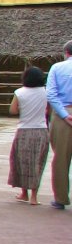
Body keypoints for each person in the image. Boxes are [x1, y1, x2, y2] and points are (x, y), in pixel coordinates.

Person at [8, 66, 50, 205]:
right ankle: (34, 197)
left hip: (24, 130)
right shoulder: (46, 92)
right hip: (41, 131)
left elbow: (12, 110)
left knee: (21, 162)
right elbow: (49, 110)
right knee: (37, 163)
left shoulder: (19, 92)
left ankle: (24, 193)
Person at [47, 39, 72, 210]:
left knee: (61, 159)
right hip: (64, 110)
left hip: (62, 113)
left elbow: (51, 93)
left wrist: (64, 114)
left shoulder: (57, 68)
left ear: (66, 53)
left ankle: (61, 198)